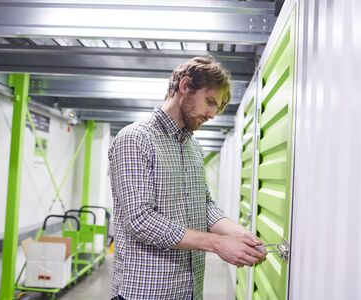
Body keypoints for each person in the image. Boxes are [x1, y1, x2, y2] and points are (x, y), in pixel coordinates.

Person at [108, 56, 266, 300]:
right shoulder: (135, 139)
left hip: (188, 290)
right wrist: (217, 244)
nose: (212, 114)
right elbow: (141, 220)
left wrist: (235, 232)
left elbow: (203, 204)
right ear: (185, 86)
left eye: (217, 107)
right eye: (210, 102)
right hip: (146, 293)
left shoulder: (193, 147)